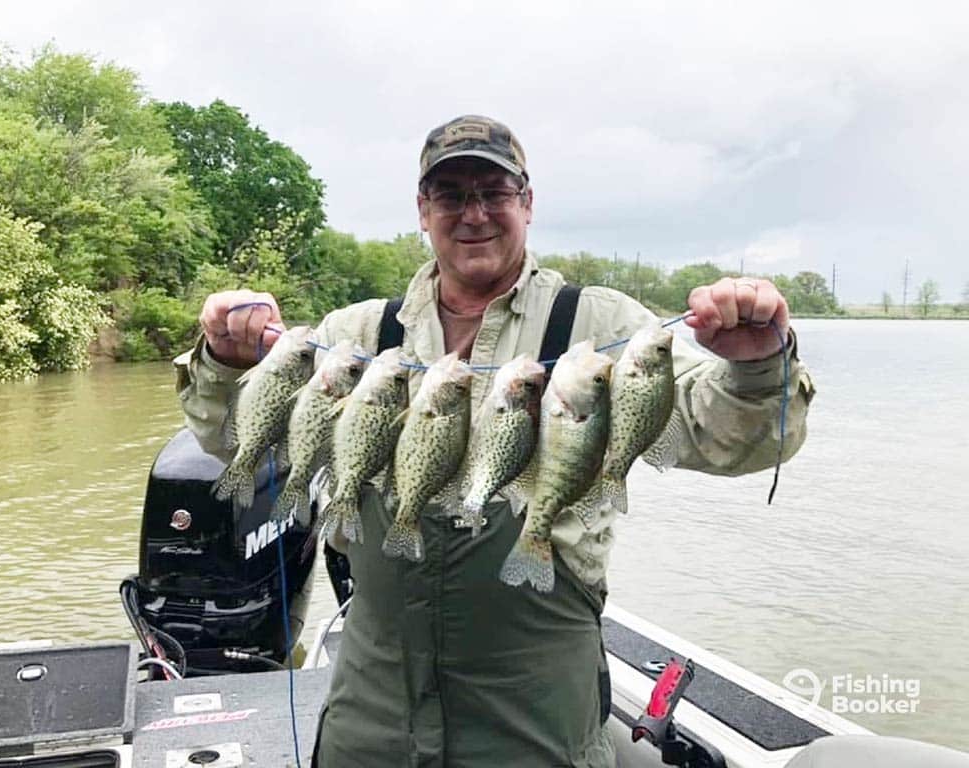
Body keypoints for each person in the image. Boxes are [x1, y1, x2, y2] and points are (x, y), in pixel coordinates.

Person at [175, 115, 815, 767]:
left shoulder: (602, 322)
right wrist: (225, 359)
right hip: (375, 705)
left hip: (534, 705)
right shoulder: (357, 332)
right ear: (424, 211)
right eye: (451, 195)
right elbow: (240, 440)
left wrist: (758, 365)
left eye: (494, 192)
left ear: (527, 203)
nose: (474, 213)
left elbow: (726, 434)